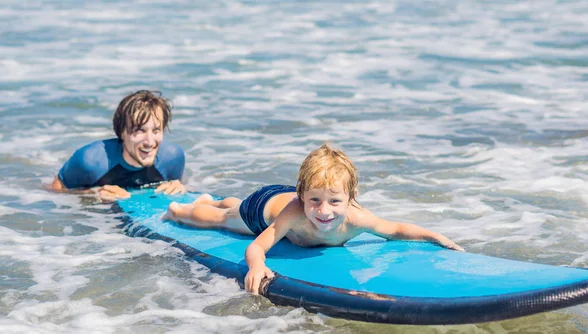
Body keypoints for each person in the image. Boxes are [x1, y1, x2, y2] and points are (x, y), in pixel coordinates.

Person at [164, 143, 463, 294]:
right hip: (262, 208)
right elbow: (257, 247)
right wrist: (257, 266)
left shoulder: (356, 218)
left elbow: (395, 229)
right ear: (302, 195)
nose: (324, 211)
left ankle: (222, 200)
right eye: (315, 202)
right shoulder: (295, 213)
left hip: (288, 195)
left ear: (350, 197)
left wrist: (434, 236)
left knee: (231, 205)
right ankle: (185, 208)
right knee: (223, 218)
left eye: (335, 201)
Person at [49, 90, 186, 202]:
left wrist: (178, 188)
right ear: (122, 132)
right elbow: (53, 191)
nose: (149, 142)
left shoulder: (172, 158)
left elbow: (180, 186)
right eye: (139, 131)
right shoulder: (90, 161)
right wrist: (92, 194)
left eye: (156, 130)